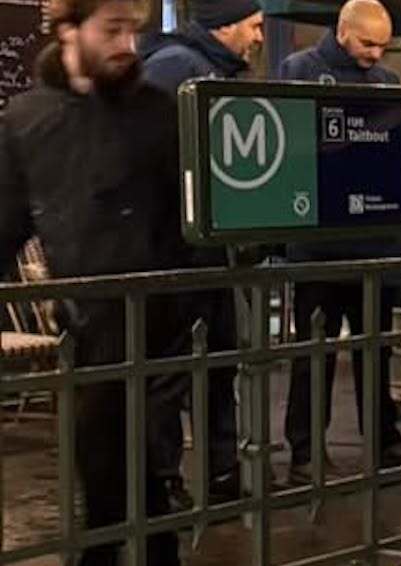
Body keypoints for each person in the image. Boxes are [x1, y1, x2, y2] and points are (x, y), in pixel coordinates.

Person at [3, 0, 188, 566]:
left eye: (133, 30)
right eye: (112, 31)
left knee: (101, 433)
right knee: (119, 438)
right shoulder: (26, 119)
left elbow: (185, 216)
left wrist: (182, 299)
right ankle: (161, 561)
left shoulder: (157, 113)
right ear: (67, 32)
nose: (128, 45)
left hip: (153, 310)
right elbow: (8, 218)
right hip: (84, 311)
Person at [275, 0, 401, 486]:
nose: (376, 54)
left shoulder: (386, 84)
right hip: (319, 247)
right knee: (313, 353)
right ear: (342, 32)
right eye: (367, 43)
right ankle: (306, 449)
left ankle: (383, 438)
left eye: (383, 45)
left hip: (374, 245)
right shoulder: (299, 72)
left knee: (375, 351)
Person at [140, 0, 263, 504]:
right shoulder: (177, 70)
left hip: (206, 253)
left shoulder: (205, 69)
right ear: (226, 24)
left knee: (216, 364)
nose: (259, 37)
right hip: (180, 254)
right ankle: (166, 479)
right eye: (255, 26)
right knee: (174, 372)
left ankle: (219, 472)